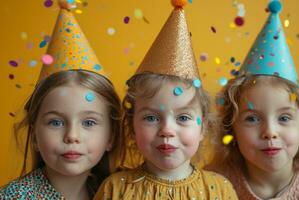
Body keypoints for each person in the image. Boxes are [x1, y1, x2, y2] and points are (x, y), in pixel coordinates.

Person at [94, 1, 237, 199]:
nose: (167, 130)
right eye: (151, 118)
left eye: (183, 117)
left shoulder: (221, 190)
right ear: (132, 124)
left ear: (203, 126)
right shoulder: (115, 190)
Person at [211, 1, 299, 199]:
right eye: (252, 119)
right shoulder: (213, 186)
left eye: (284, 118)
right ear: (230, 128)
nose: (270, 133)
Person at [0, 1, 122, 199]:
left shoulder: (122, 192)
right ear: (34, 135)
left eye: (89, 122)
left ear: (111, 136)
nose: (72, 136)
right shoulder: (12, 197)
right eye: (55, 122)